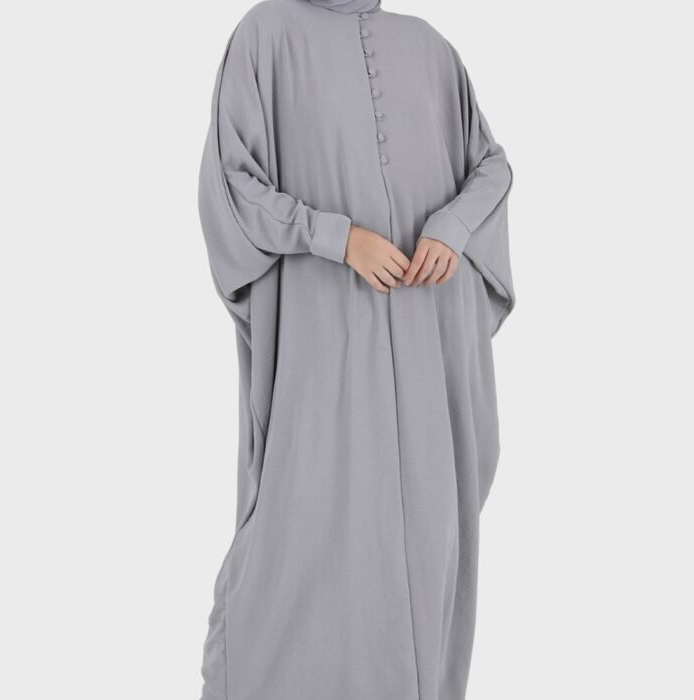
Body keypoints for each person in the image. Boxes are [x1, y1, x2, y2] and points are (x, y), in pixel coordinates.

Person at [197, 0, 514, 697]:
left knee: (426, 535)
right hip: (322, 342)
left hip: (429, 341)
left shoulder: (431, 48)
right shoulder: (266, 35)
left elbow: (491, 167)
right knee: (300, 526)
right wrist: (336, 238)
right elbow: (231, 182)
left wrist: (453, 226)